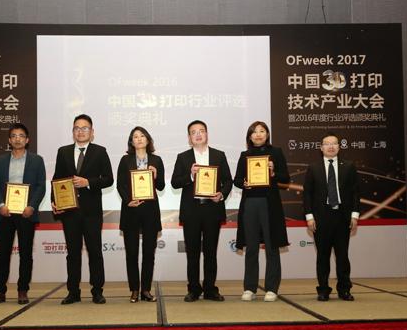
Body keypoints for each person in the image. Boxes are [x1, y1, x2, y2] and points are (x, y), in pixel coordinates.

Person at [52, 114, 114, 305]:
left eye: (84, 128)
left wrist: (88, 182)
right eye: (77, 128)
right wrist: (55, 201)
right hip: (69, 211)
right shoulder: (63, 152)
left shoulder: (100, 152)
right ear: (73, 132)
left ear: (92, 132)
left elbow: (109, 179)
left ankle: (97, 291)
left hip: (92, 212)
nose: (80, 131)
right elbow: (56, 179)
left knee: (95, 252)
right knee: (73, 253)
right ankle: (73, 292)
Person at [171, 120, 232, 302]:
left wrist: (222, 194)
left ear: (207, 134)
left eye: (201, 131)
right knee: (193, 253)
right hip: (192, 210)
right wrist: (190, 175)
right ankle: (194, 289)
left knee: (211, 252)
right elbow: (175, 182)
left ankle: (210, 289)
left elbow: (228, 181)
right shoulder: (183, 157)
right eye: (193, 132)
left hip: (212, 209)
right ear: (189, 138)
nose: (198, 134)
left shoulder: (219, 155)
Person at [0, 123, 46, 305]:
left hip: (26, 213)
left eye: (21, 136)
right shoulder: (0, 161)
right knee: (3, 254)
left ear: (27, 140)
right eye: (14, 136)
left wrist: (32, 206)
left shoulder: (37, 160)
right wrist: (0, 205)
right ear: (9, 140)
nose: (17, 139)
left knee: (26, 253)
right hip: (5, 213)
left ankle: (23, 290)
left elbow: (41, 186)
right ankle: (0, 290)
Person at [234, 121, 290, 302]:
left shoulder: (276, 153)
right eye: (254, 132)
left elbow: (286, 178)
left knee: (271, 246)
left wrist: (273, 173)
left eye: (262, 131)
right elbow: (237, 180)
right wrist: (244, 182)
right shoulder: (245, 155)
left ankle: (272, 288)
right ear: (249, 136)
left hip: (269, 204)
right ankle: (249, 287)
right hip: (250, 203)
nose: (258, 134)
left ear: (267, 134)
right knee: (251, 247)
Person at [303, 132, 360, 301]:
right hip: (321, 217)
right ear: (321, 148)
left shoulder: (349, 166)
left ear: (339, 147)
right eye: (327, 144)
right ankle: (323, 289)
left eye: (334, 143)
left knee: (342, 256)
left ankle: (344, 289)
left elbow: (356, 192)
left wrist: (354, 215)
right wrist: (309, 217)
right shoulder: (313, 168)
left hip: (343, 217)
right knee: (322, 256)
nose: (330, 146)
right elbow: (307, 194)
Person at [116, 126, 165, 303]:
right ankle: (134, 290)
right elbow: (120, 184)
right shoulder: (125, 160)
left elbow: (161, 186)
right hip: (131, 210)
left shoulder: (156, 160)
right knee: (131, 253)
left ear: (148, 139)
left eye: (142, 135)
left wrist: (156, 175)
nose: (139, 139)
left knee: (149, 254)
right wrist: (128, 200)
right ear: (131, 142)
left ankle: (146, 289)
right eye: (135, 136)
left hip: (150, 211)